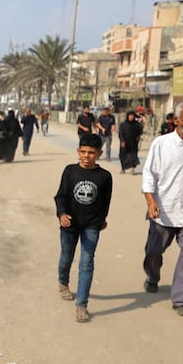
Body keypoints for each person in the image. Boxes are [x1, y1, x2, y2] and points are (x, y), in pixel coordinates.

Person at [140, 101, 183, 317]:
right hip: (163, 210)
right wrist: (151, 203)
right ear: (176, 120)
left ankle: (182, 300)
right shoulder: (161, 144)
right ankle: (152, 276)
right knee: (154, 251)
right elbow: (149, 174)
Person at [54, 133, 113, 323]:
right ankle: (63, 282)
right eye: (83, 152)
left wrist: (102, 219)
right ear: (78, 152)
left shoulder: (105, 177)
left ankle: (82, 304)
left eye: (91, 152)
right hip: (69, 224)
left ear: (99, 153)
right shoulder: (70, 171)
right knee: (66, 257)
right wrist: (62, 214)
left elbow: (105, 201)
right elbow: (61, 196)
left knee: (86, 263)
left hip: (91, 226)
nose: (86, 156)